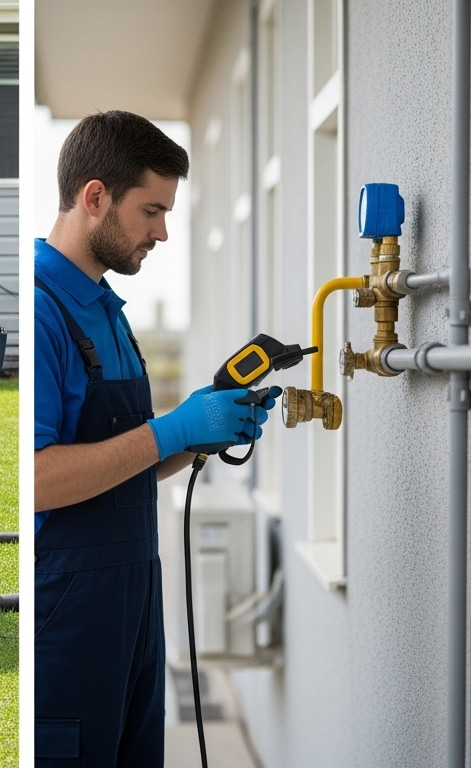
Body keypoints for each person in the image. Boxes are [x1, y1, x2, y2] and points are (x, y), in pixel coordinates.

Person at [33, 111, 275, 766]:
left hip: (136, 610)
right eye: (151, 210)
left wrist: (196, 438)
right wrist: (173, 428)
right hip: (69, 619)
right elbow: (36, 479)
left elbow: (118, 461)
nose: (162, 232)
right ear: (94, 198)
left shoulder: (107, 310)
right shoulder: (42, 308)